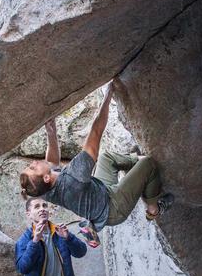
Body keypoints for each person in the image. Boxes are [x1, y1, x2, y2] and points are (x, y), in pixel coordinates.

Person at [19, 81, 173, 243]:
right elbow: (96, 131)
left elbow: (52, 162)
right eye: (32, 168)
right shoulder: (74, 177)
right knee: (148, 163)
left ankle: (137, 168)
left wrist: (51, 133)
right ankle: (153, 210)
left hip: (102, 192)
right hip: (113, 209)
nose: (34, 163)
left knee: (107, 158)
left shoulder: (41, 190)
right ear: (45, 178)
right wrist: (108, 95)